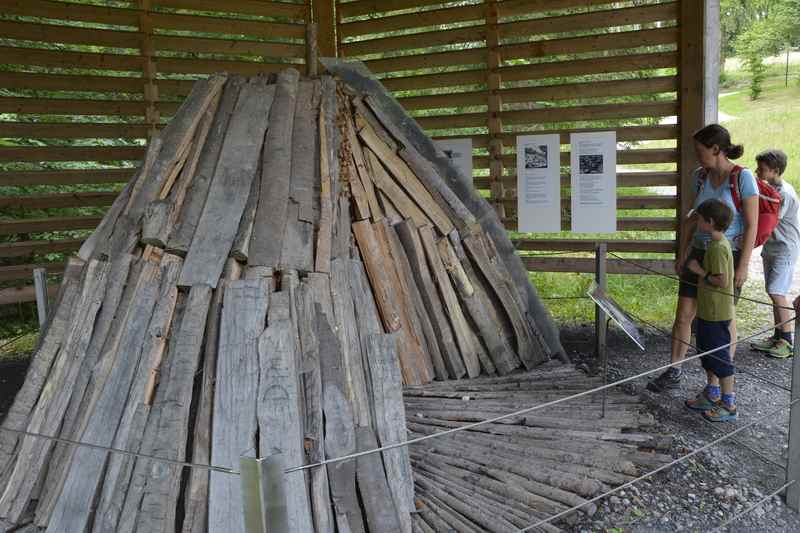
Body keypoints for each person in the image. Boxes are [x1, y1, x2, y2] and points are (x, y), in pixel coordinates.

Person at [648, 124, 759, 392]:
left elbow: (752, 225)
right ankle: (674, 369)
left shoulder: (742, 178)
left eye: (700, 151)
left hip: (725, 255)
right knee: (684, 313)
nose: (697, 156)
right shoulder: (699, 176)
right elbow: (692, 218)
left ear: (716, 149)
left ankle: (722, 380)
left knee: (722, 318)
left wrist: (742, 266)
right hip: (698, 253)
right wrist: (683, 252)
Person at [684, 200, 737, 421]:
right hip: (708, 310)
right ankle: (712, 394)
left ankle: (728, 404)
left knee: (720, 357)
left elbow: (722, 281)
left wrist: (699, 271)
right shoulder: (715, 244)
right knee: (706, 352)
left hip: (716, 313)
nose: (698, 223)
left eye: (701, 219)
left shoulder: (718, 248)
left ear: (711, 222)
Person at [748, 149, 798, 358]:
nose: (757, 171)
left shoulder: (784, 193)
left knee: (778, 293)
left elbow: (770, 221)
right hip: (772, 248)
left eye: (762, 169)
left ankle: (787, 341)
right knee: (772, 291)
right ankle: (778, 335)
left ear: (775, 171)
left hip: (784, 250)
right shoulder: (771, 188)